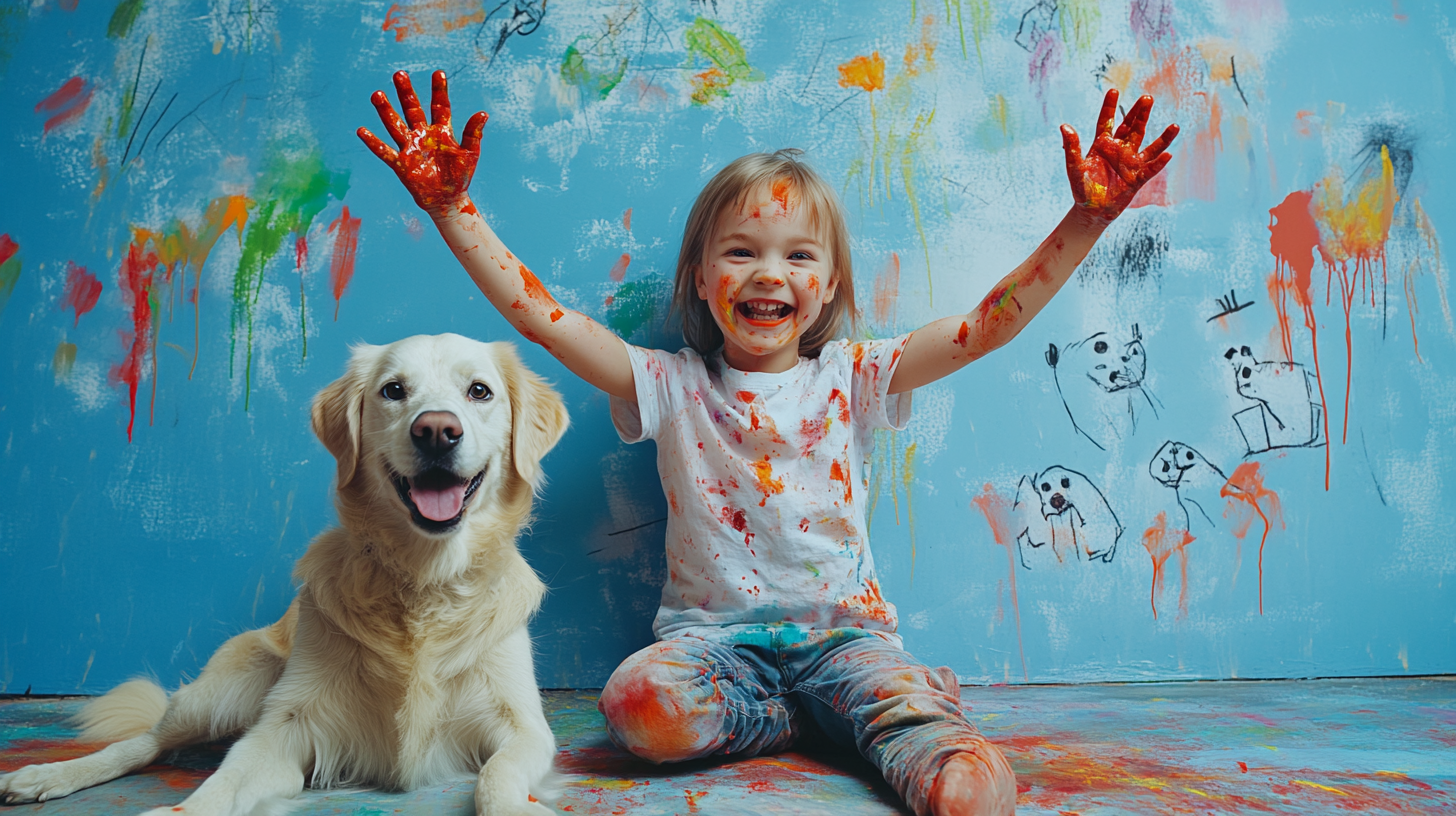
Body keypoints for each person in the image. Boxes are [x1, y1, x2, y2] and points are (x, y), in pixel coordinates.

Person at [359, 69, 1177, 816]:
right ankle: (814, 720)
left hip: (846, 640)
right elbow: (542, 320)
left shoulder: (856, 373)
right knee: (634, 709)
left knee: (965, 797)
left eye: (797, 256)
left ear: (825, 288)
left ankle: (901, 707)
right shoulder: (668, 383)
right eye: (740, 252)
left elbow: (981, 331)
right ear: (701, 277)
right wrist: (452, 211)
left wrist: (1088, 218)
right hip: (715, 655)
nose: (767, 273)